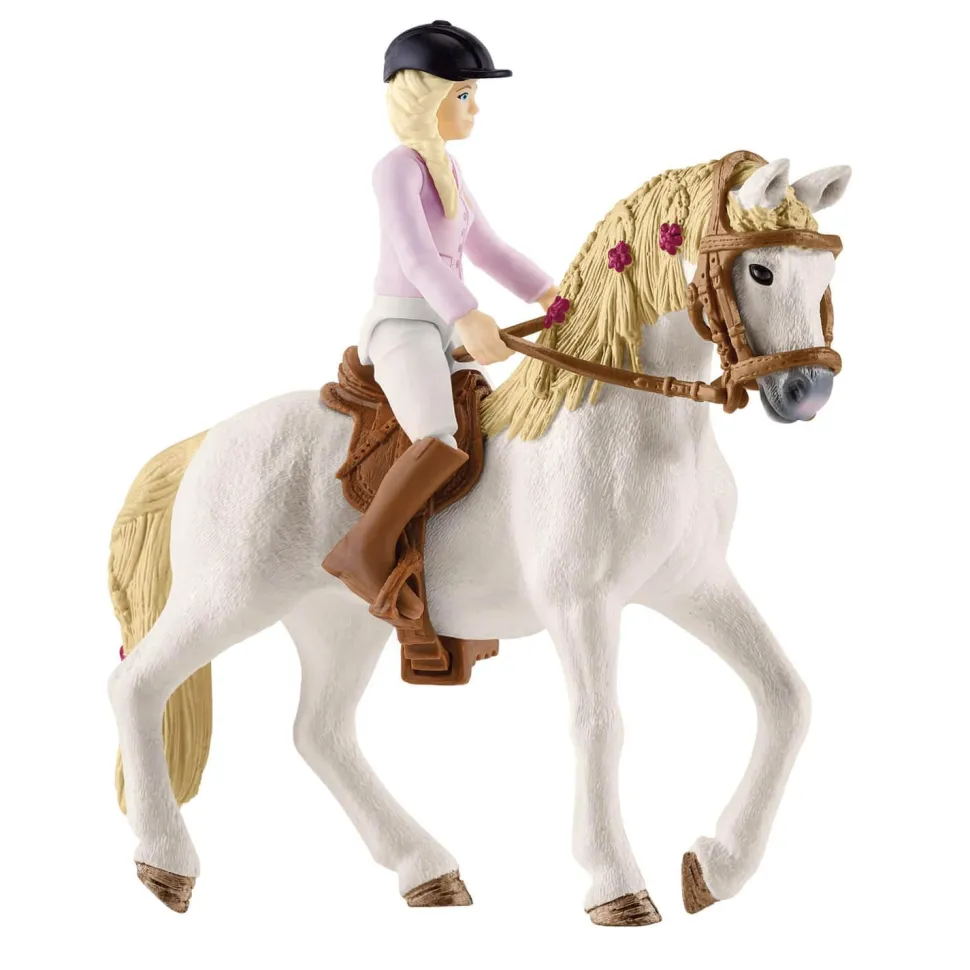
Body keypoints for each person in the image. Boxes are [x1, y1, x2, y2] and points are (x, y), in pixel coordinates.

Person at [323, 20, 557, 619]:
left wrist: (551, 295)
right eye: (464, 94)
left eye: (473, 95)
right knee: (436, 434)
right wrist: (468, 314)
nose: (475, 108)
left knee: (496, 420)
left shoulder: (449, 169)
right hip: (404, 324)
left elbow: (489, 249)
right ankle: (364, 546)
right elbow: (416, 257)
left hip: (445, 324)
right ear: (424, 97)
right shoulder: (397, 169)